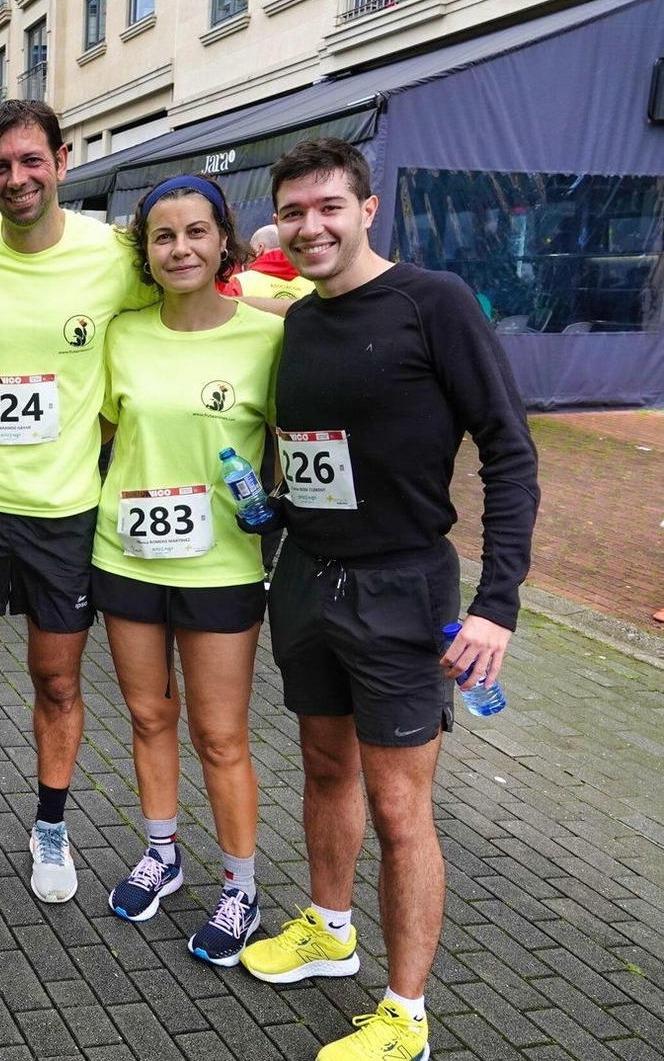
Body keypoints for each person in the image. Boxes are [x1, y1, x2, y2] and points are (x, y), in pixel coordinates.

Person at [236, 138, 539, 1061]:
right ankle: (331, 927)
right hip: (306, 577)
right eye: (294, 211)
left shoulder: (433, 301)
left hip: (403, 588)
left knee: (402, 808)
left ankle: (406, 1015)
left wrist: (497, 602)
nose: (311, 225)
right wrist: (272, 508)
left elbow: (510, 449)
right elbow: (320, 453)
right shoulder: (296, 322)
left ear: (368, 210)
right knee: (324, 770)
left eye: (328, 206)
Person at [0, 99, 158, 902]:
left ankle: (50, 826)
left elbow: (199, 306)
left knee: (58, 680)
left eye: (31, 161)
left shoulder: (115, 254)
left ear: (60, 160)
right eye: (0, 167)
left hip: (63, 508)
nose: (17, 179)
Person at [92, 173, 282, 972]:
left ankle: (241, 884)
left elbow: (294, 445)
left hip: (221, 566)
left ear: (223, 239)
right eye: (164, 236)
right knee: (146, 715)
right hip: (125, 550)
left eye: (196, 232)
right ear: (146, 249)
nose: (180, 249)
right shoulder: (122, 333)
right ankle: (162, 851)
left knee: (220, 732)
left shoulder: (267, 337)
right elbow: (98, 435)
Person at [226, 223, 313, 299]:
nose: (247, 261)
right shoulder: (313, 286)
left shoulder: (239, 282)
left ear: (259, 249)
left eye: (250, 254)